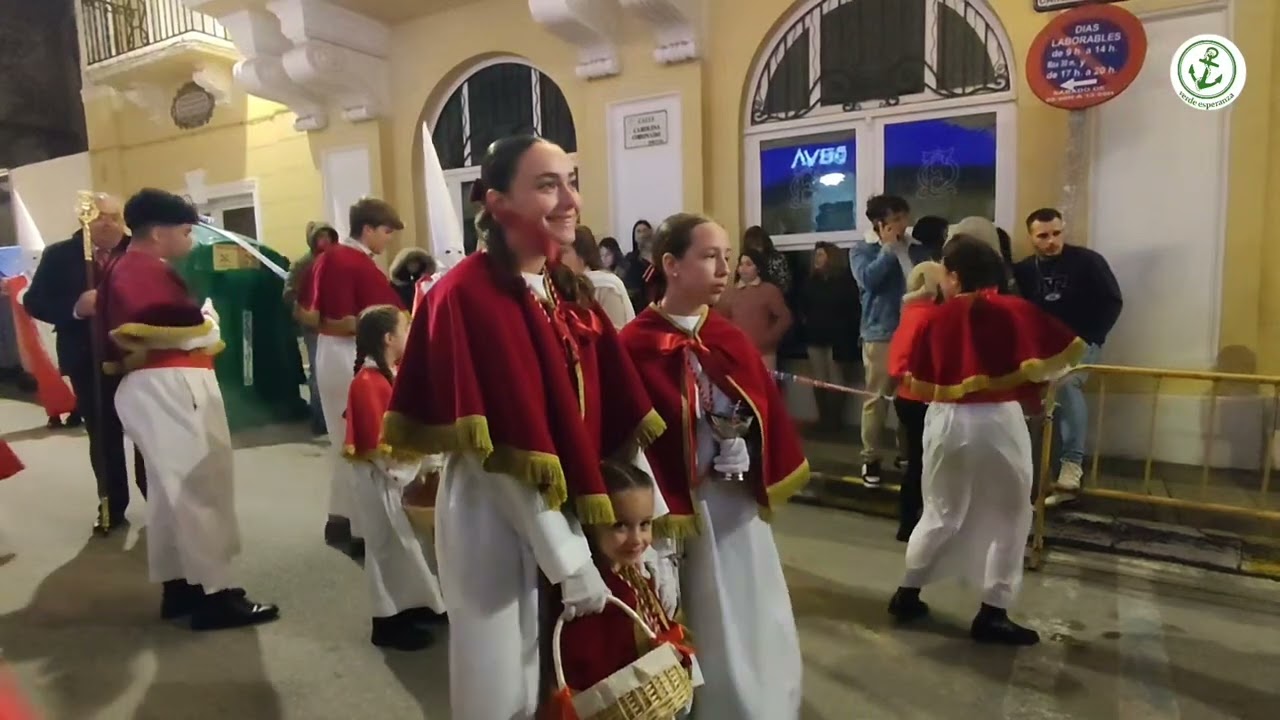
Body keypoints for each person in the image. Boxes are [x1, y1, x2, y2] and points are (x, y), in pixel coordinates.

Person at [380, 135, 667, 719]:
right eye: (546, 185)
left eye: (571, 182)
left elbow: (616, 421)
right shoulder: (465, 297)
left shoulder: (568, 291)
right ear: (497, 202)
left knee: (575, 676)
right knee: (505, 684)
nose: (570, 200)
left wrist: (645, 530)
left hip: (578, 520)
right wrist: (567, 560)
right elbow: (497, 454)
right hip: (497, 524)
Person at [620, 212, 809, 720]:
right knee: (695, 606)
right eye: (709, 257)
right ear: (671, 265)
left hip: (734, 504)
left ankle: (757, 699)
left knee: (748, 601)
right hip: (673, 511)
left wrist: (747, 448)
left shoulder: (729, 338)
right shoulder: (633, 344)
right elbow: (623, 437)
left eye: (727, 257)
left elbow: (763, 413)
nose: (724, 268)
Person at [888, 235, 1084, 646]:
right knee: (1012, 513)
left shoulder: (935, 319)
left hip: (944, 420)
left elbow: (913, 375)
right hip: (997, 421)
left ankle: (907, 592)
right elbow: (1053, 367)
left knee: (940, 509)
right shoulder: (1015, 311)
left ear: (955, 277)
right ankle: (993, 611)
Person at [99, 188, 278, 630]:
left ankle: (180, 585)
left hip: (161, 384)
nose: (191, 240)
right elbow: (161, 324)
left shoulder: (132, 267)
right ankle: (214, 595)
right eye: (185, 231)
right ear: (158, 233)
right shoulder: (141, 270)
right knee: (200, 487)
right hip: (171, 383)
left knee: (170, 494)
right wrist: (207, 325)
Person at [22, 192, 147, 533]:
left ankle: (157, 498)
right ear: (84, 219)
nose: (107, 223)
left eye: (114, 217)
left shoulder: (138, 251)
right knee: (104, 436)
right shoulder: (60, 255)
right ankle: (112, 506)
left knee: (148, 432)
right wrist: (75, 308)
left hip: (139, 358)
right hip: (87, 358)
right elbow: (34, 302)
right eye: (99, 216)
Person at [544, 460, 700, 718]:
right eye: (620, 525)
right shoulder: (593, 599)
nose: (637, 539)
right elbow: (588, 673)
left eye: (645, 524)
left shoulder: (633, 576)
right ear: (592, 522)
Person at [304, 197, 406, 557]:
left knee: (341, 440)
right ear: (368, 229)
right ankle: (365, 530)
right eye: (386, 232)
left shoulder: (328, 258)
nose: (388, 240)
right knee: (362, 442)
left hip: (330, 352)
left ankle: (339, 519)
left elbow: (311, 312)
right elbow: (362, 319)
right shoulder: (353, 262)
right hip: (350, 354)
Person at [343, 304, 446, 651]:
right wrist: (427, 458)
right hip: (382, 481)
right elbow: (383, 451)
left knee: (410, 549)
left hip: (397, 479)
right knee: (388, 550)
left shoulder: (390, 373)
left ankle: (417, 605)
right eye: (405, 329)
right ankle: (387, 621)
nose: (409, 335)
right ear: (388, 338)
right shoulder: (367, 384)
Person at [1012, 208, 1122, 495]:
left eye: (1056, 233)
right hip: (1040, 348)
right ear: (1031, 237)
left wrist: (1090, 338)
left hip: (1080, 342)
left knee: (1065, 384)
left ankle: (1071, 464)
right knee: (1039, 399)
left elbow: (1112, 301)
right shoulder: (1023, 270)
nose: (1051, 241)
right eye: (1043, 236)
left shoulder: (1088, 261)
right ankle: (1039, 470)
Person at [849, 195, 932, 485]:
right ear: (879, 223)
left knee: (910, 397)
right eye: (895, 219)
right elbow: (868, 281)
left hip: (916, 330)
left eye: (904, 217)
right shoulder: (862, 249)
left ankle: (907, 453)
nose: (902, 224)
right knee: (878, 397)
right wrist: (887, 249)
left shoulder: (916, 248)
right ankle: (871, 458)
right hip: (881, 333)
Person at [888, 261, 943, 541]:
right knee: (924, 464)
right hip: (922, 399)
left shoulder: (911, 312)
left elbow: (896, 361)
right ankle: (912, 522)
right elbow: (900, 363)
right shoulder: (928, 316)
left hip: (909, 398)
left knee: (917, 462)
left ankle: (909, 522)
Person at [799, 241, 860, 430]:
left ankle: (835, 422)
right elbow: (803, 306)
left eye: (820, 255)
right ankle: (823, 419)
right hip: (815, 335)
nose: (816, 259)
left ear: (831, 257)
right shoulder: (811, 281)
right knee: (818, 379)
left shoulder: (844, 282)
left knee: (836, 379)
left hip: (838, 338)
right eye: (815, 255)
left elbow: (852, 310)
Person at [284, 221, 338, 436]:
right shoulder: (303, 265)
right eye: (320, 237)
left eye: (328, 236)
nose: (325, 241)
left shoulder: (337, 261)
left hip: (337, 323)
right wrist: (304, 311)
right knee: (318, 372)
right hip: (314, 326)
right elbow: (289, 292)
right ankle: (320, 419)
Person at [717, 249, 792, 371]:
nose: (743, 268)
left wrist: (769, 339)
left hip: (765, 354)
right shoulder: (730, 293)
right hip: (738, 353)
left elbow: (785, 318)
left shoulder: (769, 290)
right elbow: (722, 321)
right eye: (741, 264)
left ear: (758, 268)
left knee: (764, 382)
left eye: (748, 264)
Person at [560, 225, 635, 328]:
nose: (557, 257)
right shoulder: (560, 286)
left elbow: (618, 331)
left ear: (581, 254)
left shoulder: (606, 285)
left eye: (563, 252)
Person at [741, 225, 792, 295]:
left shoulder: (776, 259)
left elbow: (784, 286)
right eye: (752, 247)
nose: (755, 250)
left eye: (758, 245)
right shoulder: (745, 260)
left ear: (764, 244)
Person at [623, 220, 656, 313]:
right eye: (639, 231)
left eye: (645, 230)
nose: (642, 234)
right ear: (634, 236)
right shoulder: (630, 260)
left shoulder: (659, 258)